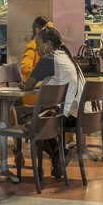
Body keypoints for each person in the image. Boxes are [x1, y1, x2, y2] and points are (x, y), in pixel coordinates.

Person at [21, 26, 82, 182]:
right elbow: (44, 82)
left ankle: (57, 154)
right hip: (81, 113)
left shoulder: (49, 59)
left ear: (48, 44)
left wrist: (25, 85)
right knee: (40, 119)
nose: (37, 49)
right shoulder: (65, 56)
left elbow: (28, 86)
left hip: (69, 115)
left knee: (33, 124)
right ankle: (58, 155)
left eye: (39, 45)